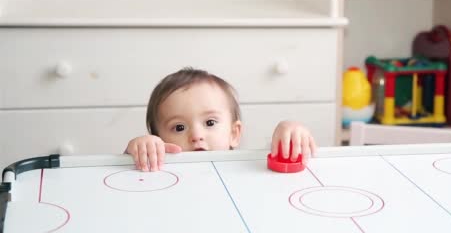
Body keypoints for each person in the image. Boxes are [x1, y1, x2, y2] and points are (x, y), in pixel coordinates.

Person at [126, 67, 317, 172]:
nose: (196, 136)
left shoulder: (242, 168)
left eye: (210, 123)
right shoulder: (155, 165)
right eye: (179, 127)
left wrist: (290, 131)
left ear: (234, 134)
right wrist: (140, 148)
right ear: (159, 140)